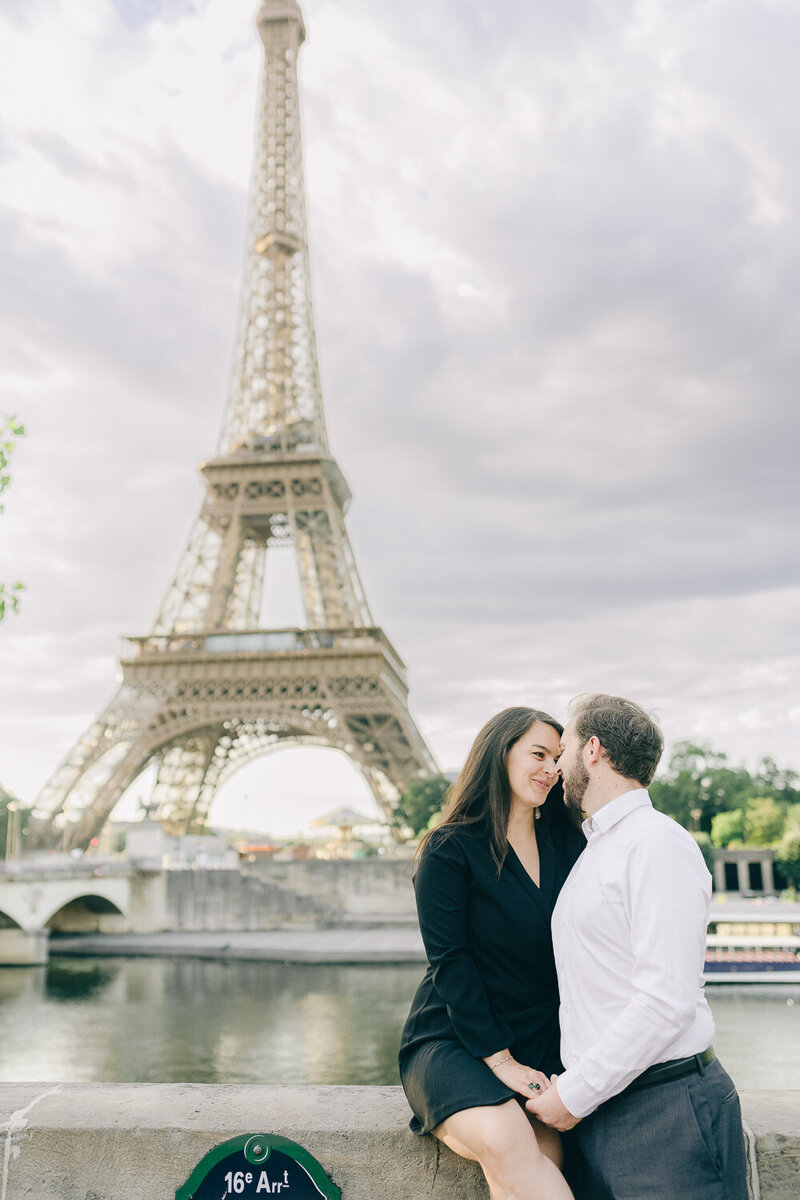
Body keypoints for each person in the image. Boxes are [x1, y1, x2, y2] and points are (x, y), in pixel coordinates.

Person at [527, 693, 749, 1200]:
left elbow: (665, 1000)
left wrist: (576, 1095)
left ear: (593, 750)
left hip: (663, 1113)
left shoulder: (655, 844)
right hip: (611, 1106)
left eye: (565, 749)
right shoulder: (603, 845)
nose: (557, 764)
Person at [399, 707, 585, 1199]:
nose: (552, 768)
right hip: (456, 1039)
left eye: (559, 758)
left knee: (545, 1156)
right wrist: (501, 1062)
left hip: (541, 1042)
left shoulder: (569, 841)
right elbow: (451, 964)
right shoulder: (448, 849)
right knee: (506, 1140)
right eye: (539, 754)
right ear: (498, 754)